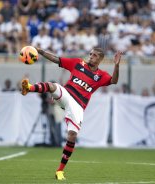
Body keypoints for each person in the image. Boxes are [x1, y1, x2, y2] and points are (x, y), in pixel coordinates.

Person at [21, 47, 123, 180]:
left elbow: (114, 81)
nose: (91, 56)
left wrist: (116, 65)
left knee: (72, 135)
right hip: (66, 94)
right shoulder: (77, 63)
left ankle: (60, 171)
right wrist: (41, 52)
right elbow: (56, 59)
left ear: (100, 59)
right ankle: (29, 88)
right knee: (52, 86)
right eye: (90, 54)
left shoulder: (101, 76)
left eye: (94, 55)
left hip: (78, 105)